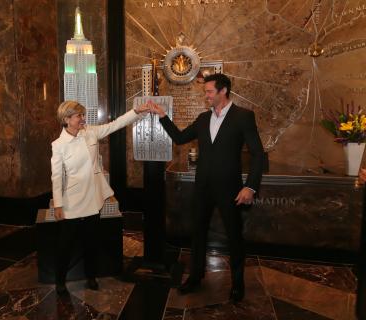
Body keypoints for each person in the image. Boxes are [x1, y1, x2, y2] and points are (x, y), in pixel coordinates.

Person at [150, 73, 264, 303]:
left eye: (210, 91)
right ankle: (195, 277)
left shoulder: (243, 116)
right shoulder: (203, 119)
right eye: (206, 92)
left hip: (231, 189)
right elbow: (181, 138)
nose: (207, 96)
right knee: (198, 233)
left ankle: (237, 283)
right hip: (202, 187)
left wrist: (250, 187)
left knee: (234, 236)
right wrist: (162, 116)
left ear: (223, 91)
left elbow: (258, 154)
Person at [51, 100, 150, 295]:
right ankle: (60, 281)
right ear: (67, 119)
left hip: (93, 198)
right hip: (72, 200)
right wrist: (58, 204)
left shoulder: (91, 132)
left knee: (91, 241)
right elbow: (55, 176)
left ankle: (91, 277)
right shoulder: (58, 145)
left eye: (82, 115)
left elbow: (115, 125)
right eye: (79, 115)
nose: (83, 119)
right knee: (66, 244)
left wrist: (135, 111)